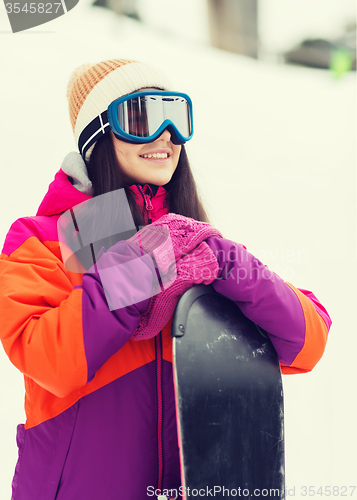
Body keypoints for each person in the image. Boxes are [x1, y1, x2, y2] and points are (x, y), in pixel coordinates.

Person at [0, 58, 331, 500]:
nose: (166, 136)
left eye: (177, 119)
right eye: (142, 118)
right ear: (98, 134)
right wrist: (142, 265)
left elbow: (307, 341)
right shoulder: (43, 239)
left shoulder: (198, 245)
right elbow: (50, 360)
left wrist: (230, 264)